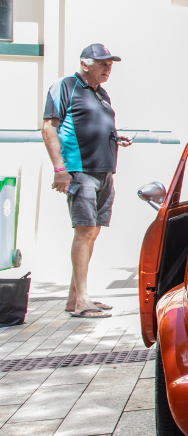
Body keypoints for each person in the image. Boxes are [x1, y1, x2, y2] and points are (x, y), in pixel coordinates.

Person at [41, 44, 133, 319]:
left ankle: (74, 297)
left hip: (105, 172)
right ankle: (82, 299)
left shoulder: (101, 93)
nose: (108, 68)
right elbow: (49, 127)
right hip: (80, 171)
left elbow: (94, 125)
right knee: (84, 230)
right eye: (103, 63)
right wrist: (60, 168)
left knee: (92, 232)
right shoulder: (66, 86)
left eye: (110, 64)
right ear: (85, 63)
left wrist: (116, 138)